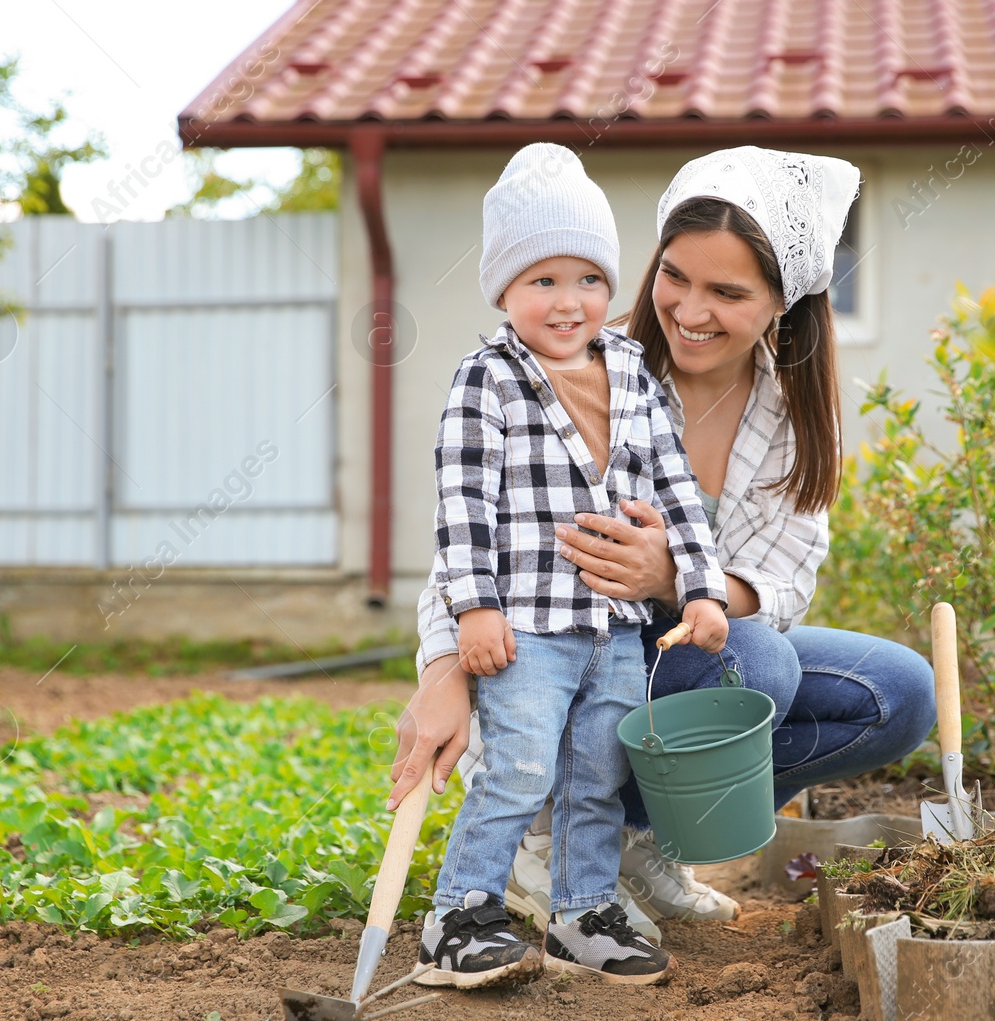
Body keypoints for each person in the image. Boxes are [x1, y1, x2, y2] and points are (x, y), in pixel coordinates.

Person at [395, 145, 937, 942]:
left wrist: (676, 576)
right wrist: (444, 668)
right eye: (674, 276)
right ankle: (547, 840)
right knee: (753, 665)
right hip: (559, 648)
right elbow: (468, 530)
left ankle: (633, 838)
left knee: (899, 692)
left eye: (727, 291)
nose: (689, 309)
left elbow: (786, 579)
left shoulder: (789, 413)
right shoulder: (579, 365)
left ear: (781, 303)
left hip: (682, 638)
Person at [411, 143, 730, 991]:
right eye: (542, 281)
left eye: (588, 279)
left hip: (615, 632)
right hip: (528, 631)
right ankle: (460, 913)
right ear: (505, 290)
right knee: (521, 768)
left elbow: (678, 493)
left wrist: (698, 586)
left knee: (599, 771)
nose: (568, 301)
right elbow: (461, 506)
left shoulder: (633, 373)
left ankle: (584, 911)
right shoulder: (488, 380)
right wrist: (473, 610)